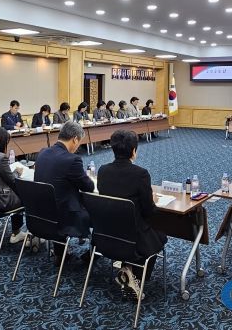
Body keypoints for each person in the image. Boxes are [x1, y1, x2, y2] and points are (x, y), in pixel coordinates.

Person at [97, 130, 167, 300]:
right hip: (133, 238)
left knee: (135, 230)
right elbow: (148, 211)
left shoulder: (102, 170)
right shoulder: (140, 174)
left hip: (106, 234)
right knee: (159, 238)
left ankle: (126, 269)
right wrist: (152, 200)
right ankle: (134, 278)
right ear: (134, 151)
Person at [34, 121, 95, 265]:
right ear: (75, 139)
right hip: (64, 217)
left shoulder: (42, 153)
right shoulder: (72, 160)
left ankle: (60, 253)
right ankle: (92, 255)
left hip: (40, 213)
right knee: (100, 211)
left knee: (59, 197)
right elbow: (88, 187)